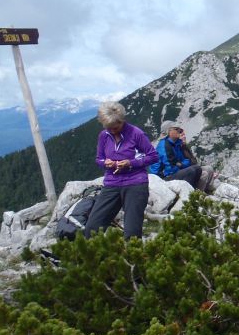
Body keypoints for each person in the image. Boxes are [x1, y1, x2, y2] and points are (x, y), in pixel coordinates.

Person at [83, 101, 159, 239]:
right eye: (108, 127)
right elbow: (99, 159)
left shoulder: (136, 133)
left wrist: (130, 163)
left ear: (122, 120)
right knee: (92, 228)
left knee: (132, 231)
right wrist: (105, 163)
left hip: (136, 183)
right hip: (112, 183)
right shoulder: (103, 136)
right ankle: (94, 258)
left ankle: (132, 259)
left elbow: (153, 156)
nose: (112, 130)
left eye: (115, 127)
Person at [150, 124, 214, 193]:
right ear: (169, 132)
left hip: (176, 170)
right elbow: (170, 169)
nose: (180, 132)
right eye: (177, 129)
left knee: (208, 169)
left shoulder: (177, 144)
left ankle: (206, 191)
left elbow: (186, 161)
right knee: (195, 170)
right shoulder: (164, 146)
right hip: (164, 177)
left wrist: (182, 164)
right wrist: (183, 165)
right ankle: (193, 195)